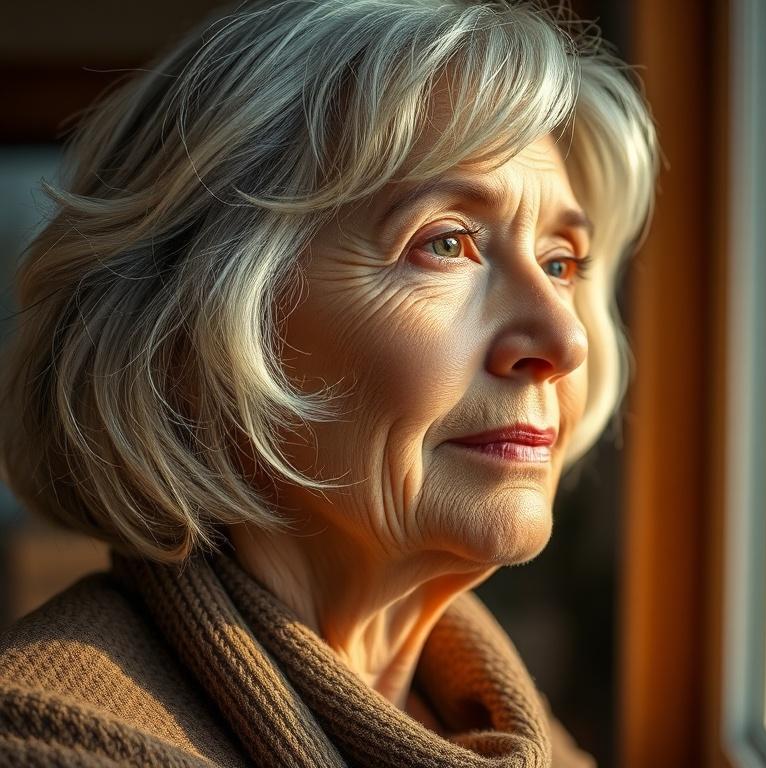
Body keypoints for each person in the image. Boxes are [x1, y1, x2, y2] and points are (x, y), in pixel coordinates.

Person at [0, 0, 658, 765]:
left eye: (560, 262)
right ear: (189, 338)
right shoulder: (53, 739)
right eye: (446, 244)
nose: (565, 341)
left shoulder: (513, 731)